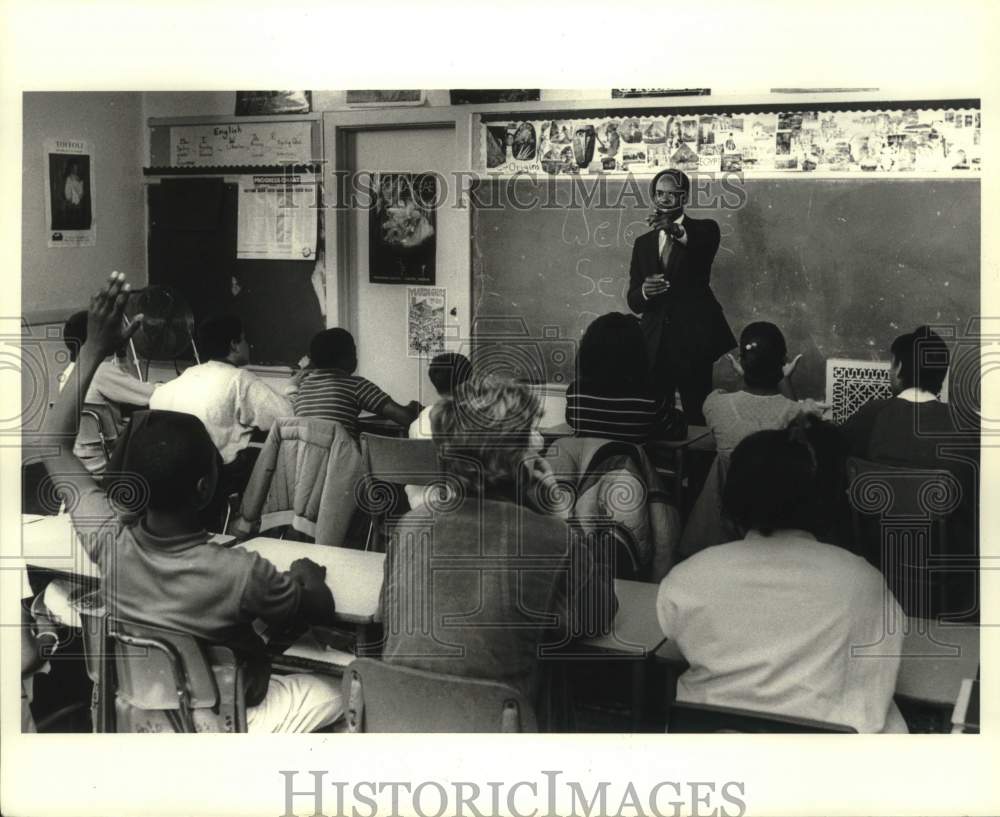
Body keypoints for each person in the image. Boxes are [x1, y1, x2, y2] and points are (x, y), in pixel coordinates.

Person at [41, 272, 343, 733]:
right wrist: (307, 573)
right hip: (227, 720)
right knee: (335, 693)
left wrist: (94, 348)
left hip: (143, 717)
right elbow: (316, 608)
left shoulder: (109, 542)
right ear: (206, 488)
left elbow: (53, 448)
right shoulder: (243, 573)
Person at [380, 373, 617, 728]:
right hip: (495, 742)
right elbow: (598, 615)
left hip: (398, 729)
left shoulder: (412, 525)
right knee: (550, 664)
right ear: (513, 456)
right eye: (530, 433)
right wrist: (561, 516)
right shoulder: (550, 538)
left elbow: (386, 612)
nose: (540, 441)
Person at [657, 415, 908, 733]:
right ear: (825, 502)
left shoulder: (688, 576)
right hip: (827, 767)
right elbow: (886, 649)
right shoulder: (862, 580)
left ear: (731, 499)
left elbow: (673, 633)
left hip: (717, 758)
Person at [841, 326, 978, 616]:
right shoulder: (966, 427)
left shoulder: (872, 414)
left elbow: (830, 456)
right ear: (941, 373)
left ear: (900, 366)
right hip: (945, 576)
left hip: (878, 562)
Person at [149, 315, 291, 523]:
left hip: (168, 478)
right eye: (243, 339)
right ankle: (252, 523)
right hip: (213, 480)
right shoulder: (239, 379)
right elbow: (287, 417)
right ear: (234, 345)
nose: (247, 344)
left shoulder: (176, 383)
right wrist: (293, 389)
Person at [627, 169, 736, 425]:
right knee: (655, 417)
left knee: (697, 415)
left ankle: (697, 466)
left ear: (684, 197)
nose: (663, 200)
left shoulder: (705, 230)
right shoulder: (643, 243)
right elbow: (633, 301)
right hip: (654, 344)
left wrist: (674, 230)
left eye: (671, 194)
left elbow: (699, 246)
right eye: (659, 194)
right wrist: (644, 291)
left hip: (693, 341)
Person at [703, 321, 825, 458]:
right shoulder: (798, 414)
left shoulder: (716, 406)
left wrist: (744, 374)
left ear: (742, 361)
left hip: (733, 480)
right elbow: (798, 430)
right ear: (783, 360)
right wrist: (785, 380)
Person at [60, 309, 157, 474]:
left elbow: (122, 385)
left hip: (82, 459)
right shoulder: (101, 371)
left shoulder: (67, 373)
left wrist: (121, 353)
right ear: (95, 339)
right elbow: (149, 394)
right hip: (110, 459)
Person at [564, 312, 685, 444]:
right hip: (632, 464)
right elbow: (677, 430)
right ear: (638, 353)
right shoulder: (649, 401)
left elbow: (571, 422)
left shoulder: (575, 396)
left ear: (588, 350)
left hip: (589, 463)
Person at [290, 328, 419, 438]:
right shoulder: (356, 385)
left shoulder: (304, 386)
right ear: (345, 358)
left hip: (306, 464)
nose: (356, 358)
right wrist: (414, 409)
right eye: (354, 353)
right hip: (343, 463)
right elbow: (407, 419)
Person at [405, 351, 472, 510]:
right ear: (470, 380)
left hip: (422, 508)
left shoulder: (418, 423)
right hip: (465, 509)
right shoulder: (480, 415)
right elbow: (533, 442)